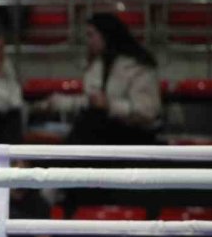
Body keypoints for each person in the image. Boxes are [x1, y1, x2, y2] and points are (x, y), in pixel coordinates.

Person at [41, 13, 160, 145]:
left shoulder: (137, 67)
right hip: (105, 130)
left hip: (134, 134)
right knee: (88, 123)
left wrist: (110, 105)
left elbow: (147, 111)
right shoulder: (98, 65)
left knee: (88, 127)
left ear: (106, 35)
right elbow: (90, 101)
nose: (88, 41)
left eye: (91, 35)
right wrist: (60, 103)